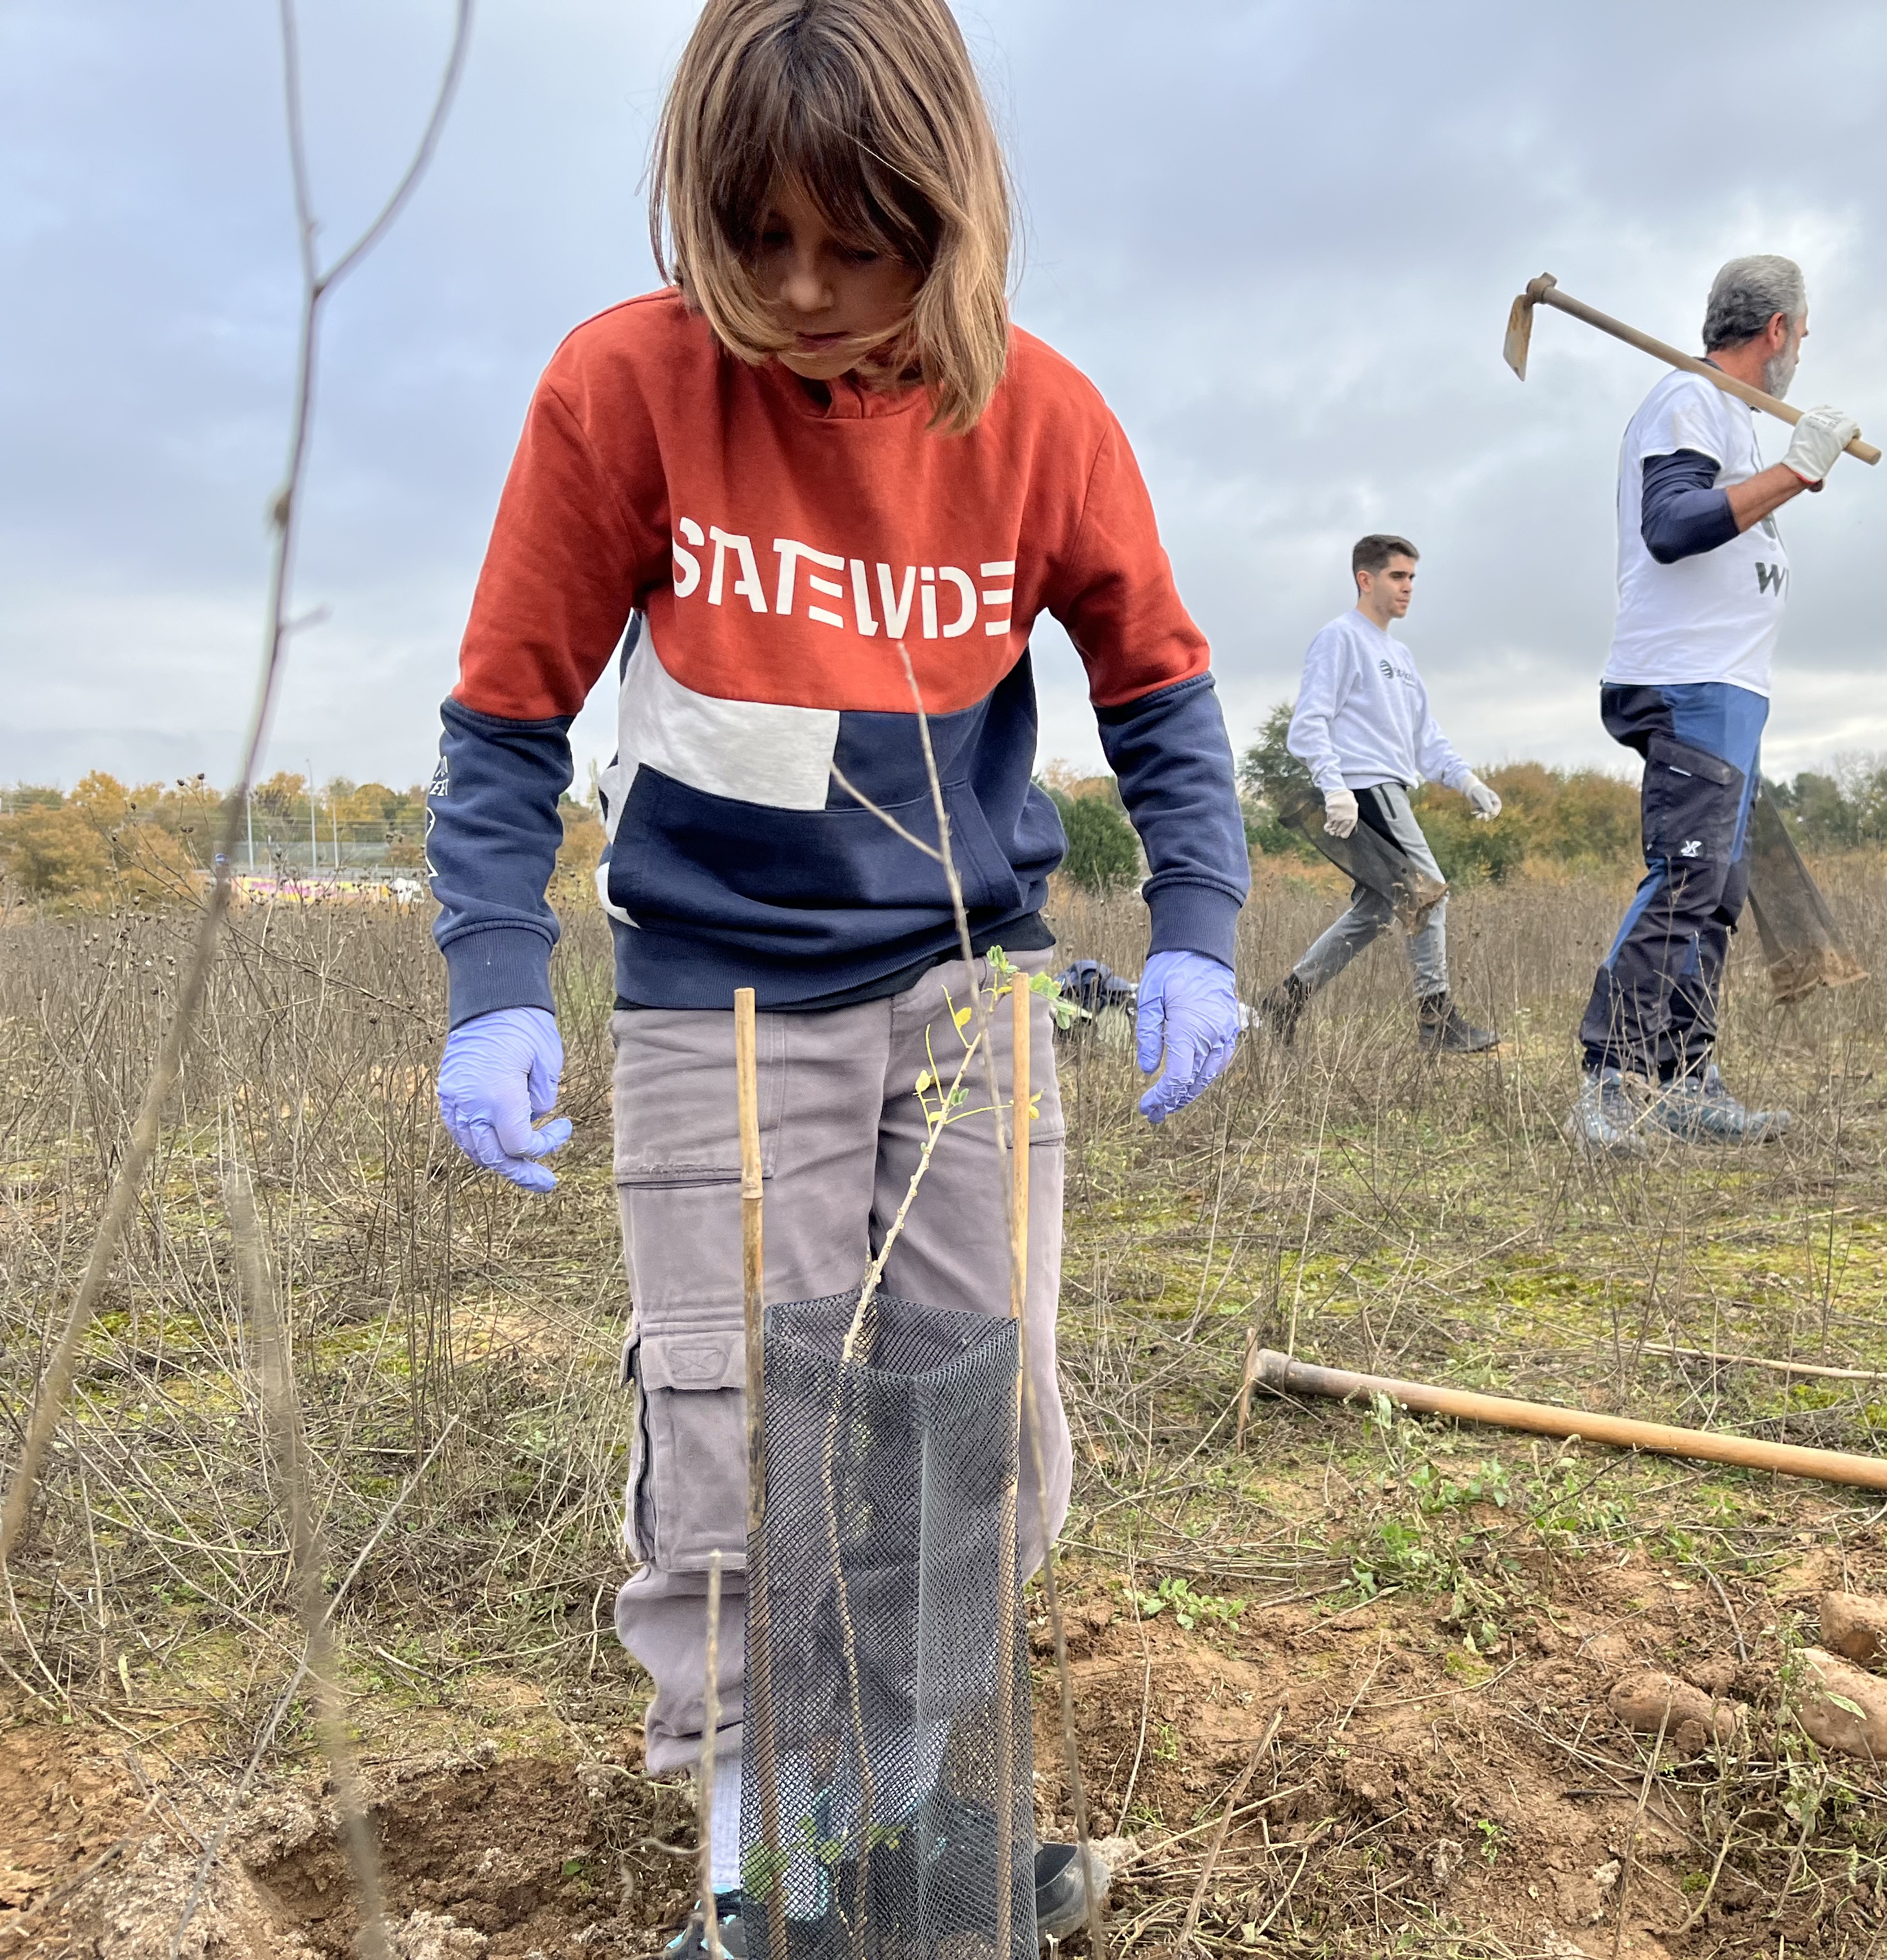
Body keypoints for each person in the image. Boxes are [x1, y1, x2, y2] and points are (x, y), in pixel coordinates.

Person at [422, 3, 1249, 1950]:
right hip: (721, 989)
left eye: (856, 245)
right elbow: (506, 717)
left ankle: (894, 1841)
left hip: (974, 996)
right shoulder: (622, 392)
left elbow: (1161, 691)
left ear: (947, 219)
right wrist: (493, 978)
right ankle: (758, 1895)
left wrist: (1199, 928)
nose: (801, 291)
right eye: (757, 238)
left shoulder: (1039, 418)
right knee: (739, 1433)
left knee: (979, 1416)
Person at [1568, 255, 1860, 1152]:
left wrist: (1779, 466)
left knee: (1719, 891)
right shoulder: (1686, 402)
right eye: (1802, 336)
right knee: (1688, 876)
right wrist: (1795, 474)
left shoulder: (1730, 415)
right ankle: (1612, 1082)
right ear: (1776, 331)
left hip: (1732, 688)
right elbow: (1673, 528)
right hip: (1687, 679)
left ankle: (1685, 1078)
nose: (1801, 354)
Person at [1260, 534, 1502, 1053]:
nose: (1408, 587)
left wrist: (1467, 781)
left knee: (1376, 911)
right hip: (1365, 789)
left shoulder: (1401, 656)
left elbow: (1425, 738)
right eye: (1398, 576)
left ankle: (1285, 1002)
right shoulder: (1340, 639)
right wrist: (1335, 785)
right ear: (1364, 579)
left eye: (1413, 577)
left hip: (1393, 785)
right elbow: (1308, 725)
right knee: (1428, 892)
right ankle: (1437, 1021)